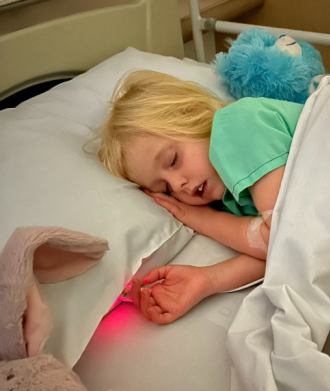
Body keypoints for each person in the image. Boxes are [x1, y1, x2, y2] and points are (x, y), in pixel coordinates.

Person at [97, 70, 302, 324]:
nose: (178, 184)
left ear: (192, 116)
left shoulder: (236, 125)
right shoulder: (232, 197)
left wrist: (203, 220)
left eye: (173, 160)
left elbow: (284, 239)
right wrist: (207, 280)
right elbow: (281, 253)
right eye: (166, 190)